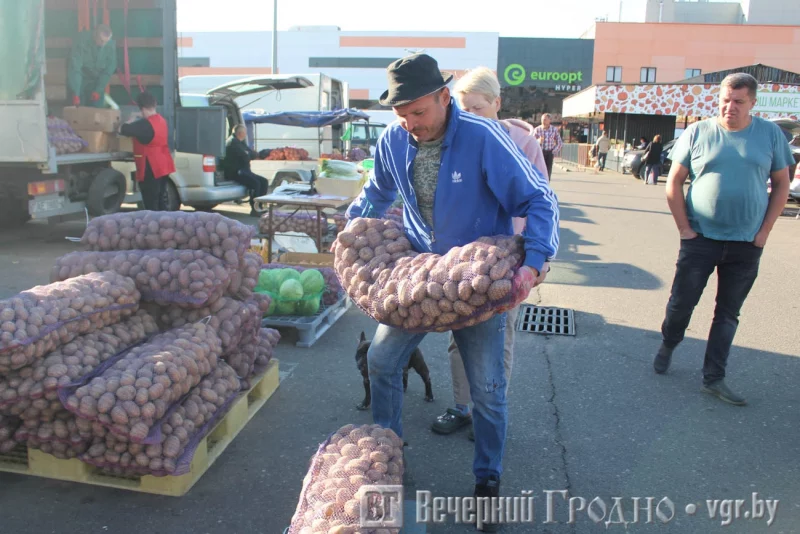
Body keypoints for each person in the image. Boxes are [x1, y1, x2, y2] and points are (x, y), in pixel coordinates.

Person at [345, 53, 559, 532]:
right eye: (402, 115)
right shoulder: (393, 140)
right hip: (420, 277)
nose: (411, 124)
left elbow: (536, 198)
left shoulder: (484, 139)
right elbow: (376, 194)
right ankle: (388, 459)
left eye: (419, 112)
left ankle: (487, 480)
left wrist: (535, 260)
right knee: (381, 361)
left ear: (445, 97)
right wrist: (350, 229)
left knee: (485, 389)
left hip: (475, 283)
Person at [654, 73, 793, 406]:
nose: (730, 108)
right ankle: (669, 342)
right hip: (700, 239)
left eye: (739, 102)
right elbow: (674, 183)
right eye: (725, 101)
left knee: (728, 314)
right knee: (681, 303)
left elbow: (782, 186)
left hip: (746, 244)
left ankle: (713, 378)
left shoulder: (770, 135)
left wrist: (763, 233)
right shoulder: (698, 132)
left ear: (753, 103)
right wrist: (685, 229)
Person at [432, 66, 551, 443]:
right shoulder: (454, 141)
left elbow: (541, 201)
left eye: (478, 108)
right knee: (459, 332)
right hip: (463, 259)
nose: (469, 116)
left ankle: (490, 408)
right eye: (463, 109)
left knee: (500, 335)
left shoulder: (522, 141)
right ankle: (463, 405)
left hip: (506, 261)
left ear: (497, 103)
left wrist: (537, 258)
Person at [119, 91, 176, 211]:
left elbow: (123, 129)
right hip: (164, 164)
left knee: (151, 203)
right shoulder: (161, 120)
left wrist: (131, 118)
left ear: (142, 108)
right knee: (161, 200)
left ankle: (154, 227)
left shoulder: (144, 125)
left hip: (150, 167)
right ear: (154, 104)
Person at [67, 24, 117, 108]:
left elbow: (108, 71)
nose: (103, 44)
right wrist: (76, 92)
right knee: (78, 109)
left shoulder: (110, 45)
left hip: (96, 82)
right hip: (80, 80)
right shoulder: (81, 42)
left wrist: (98, 90)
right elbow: (75, 69)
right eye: (101, 41)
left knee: (97, 110)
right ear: (95, 35)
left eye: (106, 42)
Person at [224, 125, 269, 216]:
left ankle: (259, 207)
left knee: (264, 181)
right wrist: (249, 154)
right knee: (256, 183)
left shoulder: (240, 142)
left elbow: (250, 153)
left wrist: (253, 154)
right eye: (245, 133)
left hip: (244, 170)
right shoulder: (233, 142)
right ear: (240, 133)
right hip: (236, 172)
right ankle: (254, 209)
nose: (245, 135)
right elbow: (245, 157)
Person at [532, 113, 563, 180]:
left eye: (545, 119)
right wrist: (538, 141)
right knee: (539, 171)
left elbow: (560, 143)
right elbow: (532, 142)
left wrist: (553, 151)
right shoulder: (537, 129)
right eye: (542, 119)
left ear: (549, 120)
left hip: (549, 153)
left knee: (548, 172)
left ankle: (547, 186)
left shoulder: (554, 130)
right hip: (540, 152)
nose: (543, 121)